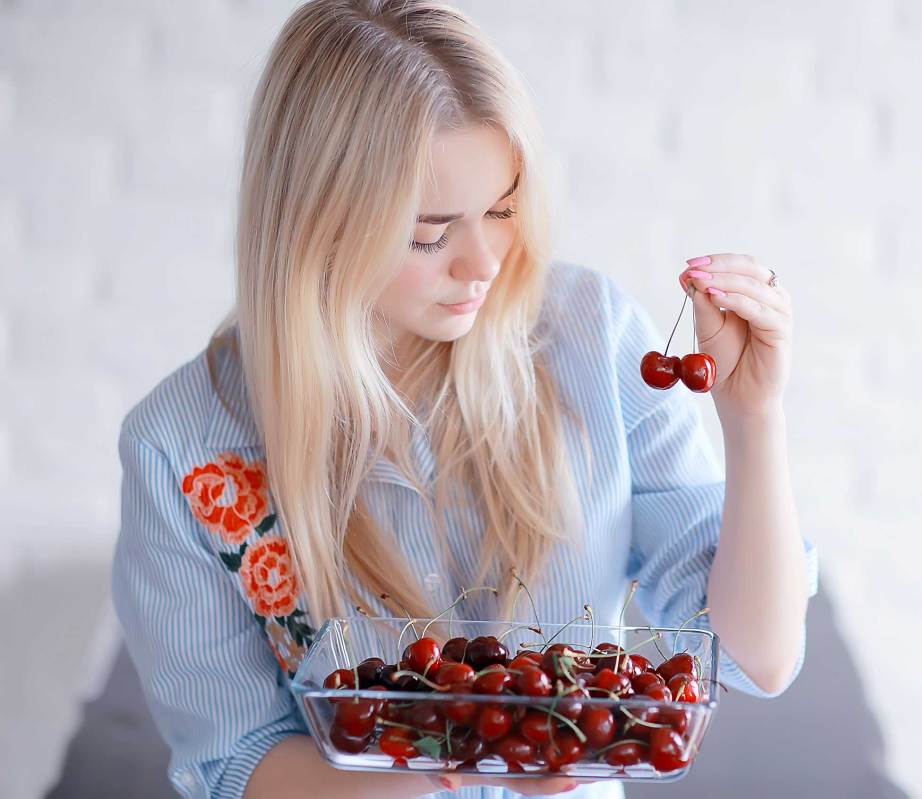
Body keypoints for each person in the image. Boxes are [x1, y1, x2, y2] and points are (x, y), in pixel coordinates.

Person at [110, 1, 819, 797]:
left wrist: (754, 419)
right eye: (428, 232)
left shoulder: (592, 334)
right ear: (316, 224)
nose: (483, 261)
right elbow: (233, 759)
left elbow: (758, 654)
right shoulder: (184, 445)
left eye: (504, 209)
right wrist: (482, 753)